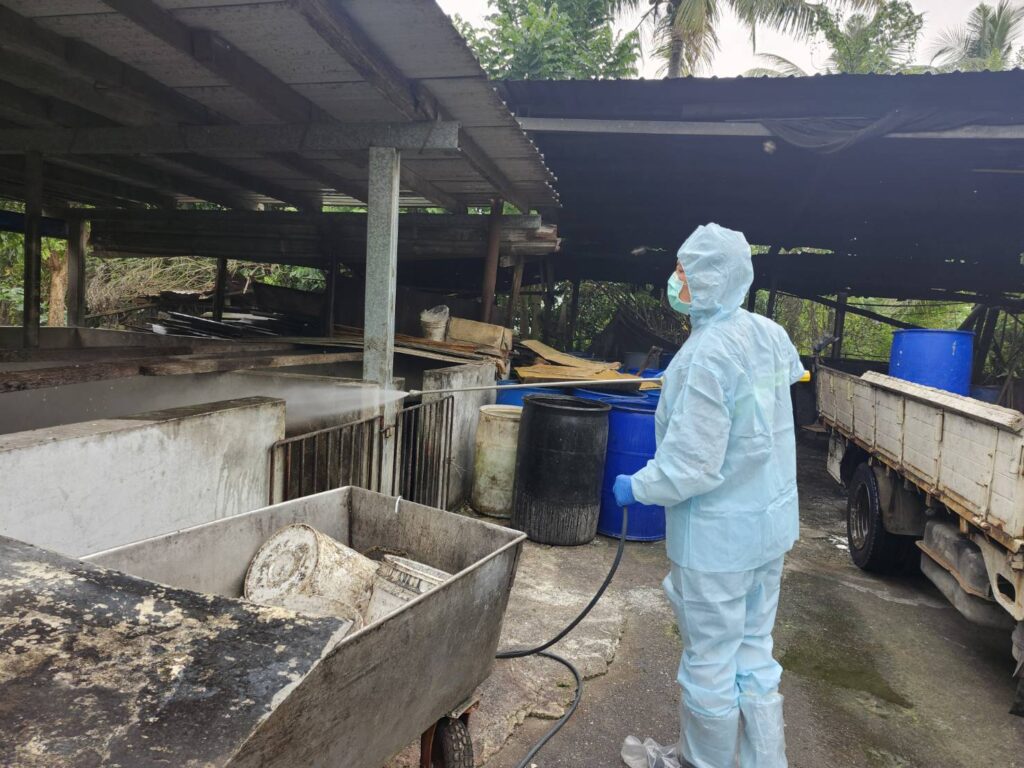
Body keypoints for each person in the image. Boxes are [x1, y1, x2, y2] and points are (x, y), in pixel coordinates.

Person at [614, 223, 804, 768]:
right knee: (755, 653)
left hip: (718, 541)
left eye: (684, 269)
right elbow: (760, 419)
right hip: (768, 529)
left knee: (711, 663)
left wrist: (638, 486)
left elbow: (692, 465)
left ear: (711, 278)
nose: (676, 279)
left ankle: (701, 763)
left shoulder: (704, 355)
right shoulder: (768, 334)